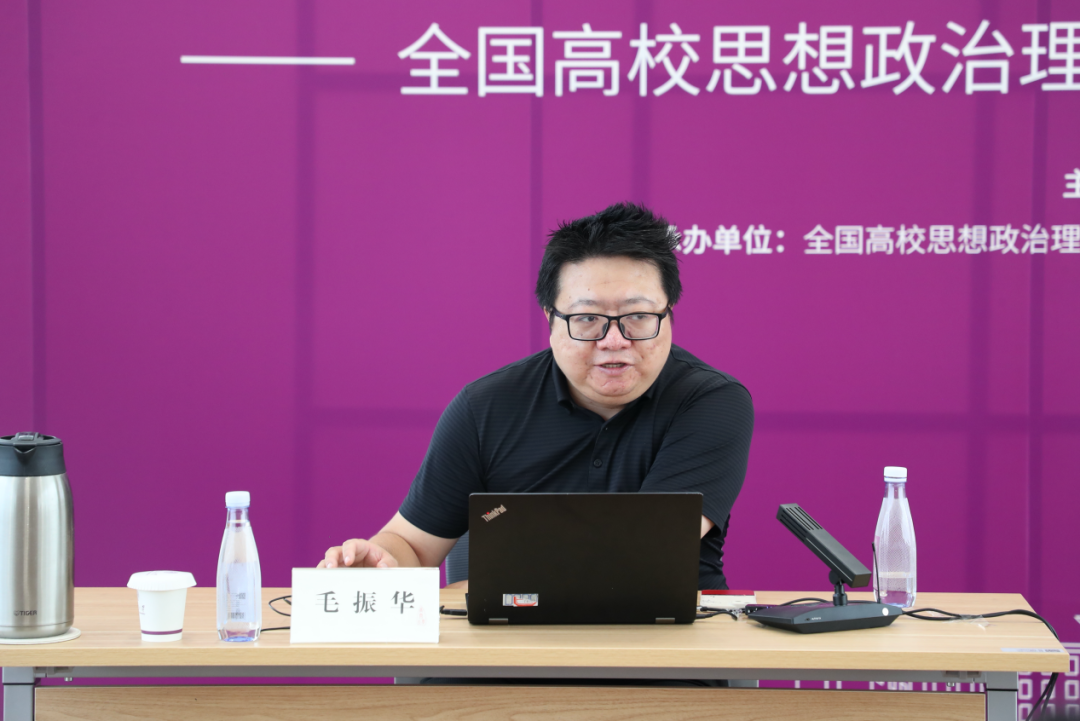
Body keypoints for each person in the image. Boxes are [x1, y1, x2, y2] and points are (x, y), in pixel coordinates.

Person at [320, 202, 754, 590]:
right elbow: (413, 544)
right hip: (510, 640)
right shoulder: (485, 408)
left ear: (669, 314)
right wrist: (381, 561)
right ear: (551, 318)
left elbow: (646, 549)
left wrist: (493, 583)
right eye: (587, 318)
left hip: (671, 638)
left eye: (638, 316)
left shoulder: (711, 401)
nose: (614, 340)